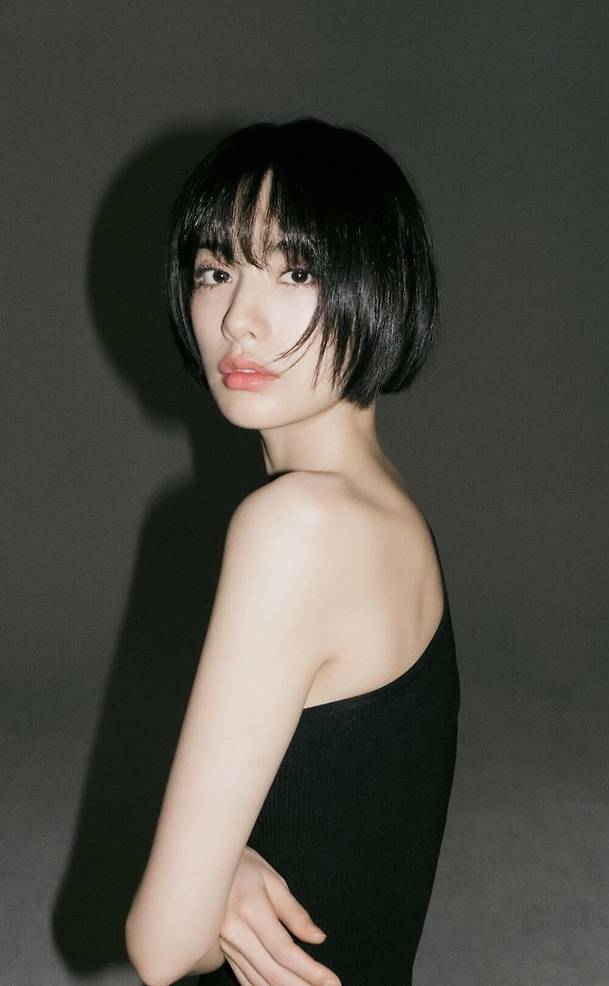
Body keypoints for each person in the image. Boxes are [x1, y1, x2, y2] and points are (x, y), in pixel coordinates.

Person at [125, 116, 460, 986]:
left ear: (381, 285)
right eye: (216, 271)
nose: (238, 318)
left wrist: (209, 886)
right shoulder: (389, 510)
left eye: (296, 270)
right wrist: (223, 860)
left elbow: (165, 949)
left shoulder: (295, 527)